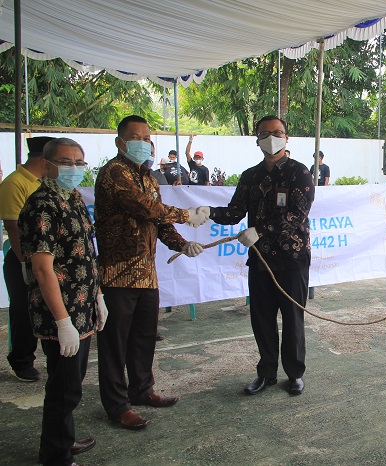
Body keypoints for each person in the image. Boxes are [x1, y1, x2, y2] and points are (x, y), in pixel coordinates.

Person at [94, 115, 207, 430]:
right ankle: (117, 406)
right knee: (115, 344)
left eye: (147, 138)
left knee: (143, 337)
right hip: (117, 275)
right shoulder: (114, 173)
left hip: (146, 273)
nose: (143, 143)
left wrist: (182, 245)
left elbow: (158, 221)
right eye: (136, 137)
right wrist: (187, 215)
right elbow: (145, 208)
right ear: (120, 142)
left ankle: (142, 390)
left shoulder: (149, 177)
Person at [193, 115, 314, 396]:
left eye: (277, 132)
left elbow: (297, 214)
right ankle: (266, 372)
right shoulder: (250, 176)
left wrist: (260, 230)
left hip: (292, 259)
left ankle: (294, 373)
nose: (272, 138)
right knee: (261, 319)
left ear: (286, 137)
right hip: (260, 261)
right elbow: (235, 212)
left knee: (293, 319)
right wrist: (209, 212)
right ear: (257, 139)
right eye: (265, 133)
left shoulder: (299, 172)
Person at [19, 138, 106, 465]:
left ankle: (63, 439)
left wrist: (98, 296)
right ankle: (55, 454)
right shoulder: (42, 205)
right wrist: (62, 322)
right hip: (61, 313)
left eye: (79, 162)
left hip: (82, 307)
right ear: (47, 164)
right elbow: (42, 269)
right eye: (66, 162)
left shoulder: (73, 198)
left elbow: (86, 253)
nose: (74, 169)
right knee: (63, 387)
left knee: (71, 382)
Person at [0, 136, 55, 382]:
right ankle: (22, 360)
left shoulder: (47, 183)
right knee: (24, 309)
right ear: (45, 159)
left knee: (50, 307)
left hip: (48, 258)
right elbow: (12, 228)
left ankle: (52, 354)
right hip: (23, 258)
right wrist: (25, 262)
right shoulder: (16, 183)